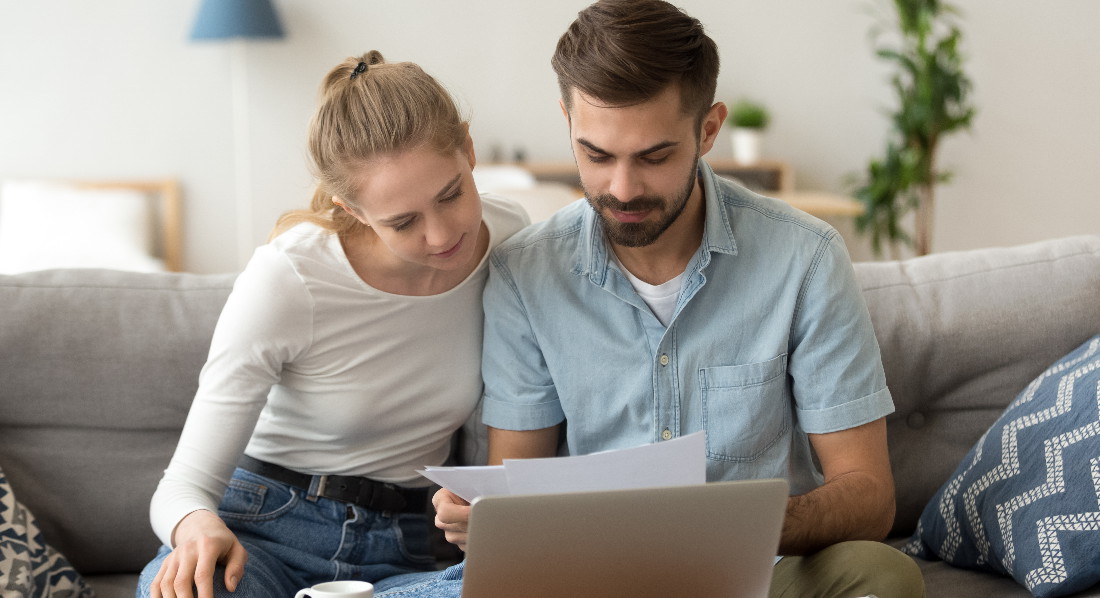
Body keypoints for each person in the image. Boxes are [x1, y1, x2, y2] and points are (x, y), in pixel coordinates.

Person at [427, 1, 927, 596]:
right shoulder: (524, 275)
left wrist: (726, 527)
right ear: (568, 122)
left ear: (708, 129)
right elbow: (518, 480)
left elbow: (868, 496)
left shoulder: (806, 257)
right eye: (597, 155)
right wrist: (487, 516)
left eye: (655, 156)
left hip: (760, 572)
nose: (622, 189)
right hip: (595, 579)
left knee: (884, 578)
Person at [135, 51, 529, 598]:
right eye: (403, 221)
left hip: (409, 548)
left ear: (467, 147)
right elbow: (182, 487)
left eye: (451, 194)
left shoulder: (512, 239)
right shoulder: (291, 276)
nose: (441, 236)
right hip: (265, 529)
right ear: (353, 209)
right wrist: (197, 526)